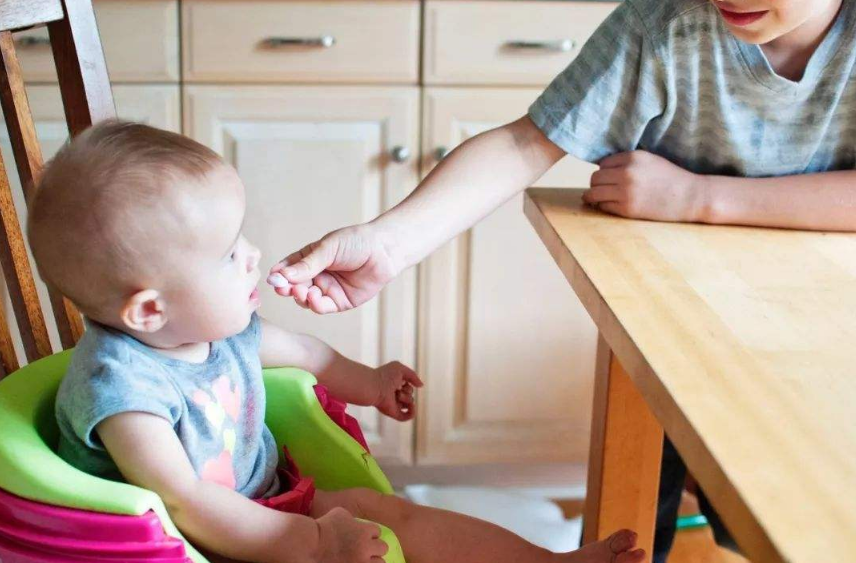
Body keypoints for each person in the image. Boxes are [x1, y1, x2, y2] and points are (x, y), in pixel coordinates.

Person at [267, 1, 856, 560]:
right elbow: (527, 143)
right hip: (672, 322)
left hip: (821, 332)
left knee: (784, 511)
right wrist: (388, 244)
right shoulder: (665, 23)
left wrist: (698, 197)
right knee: (648, 505)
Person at [29, 121, 644, 563]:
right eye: (228, 255)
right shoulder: (126, 392)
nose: (253, 258)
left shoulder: (214, 330)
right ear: (150, 309)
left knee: (399, 517)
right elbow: (184, 504)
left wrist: (372, 382)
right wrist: (318, 546)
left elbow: (308, 353)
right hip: (185, 545)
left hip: (269, 504)